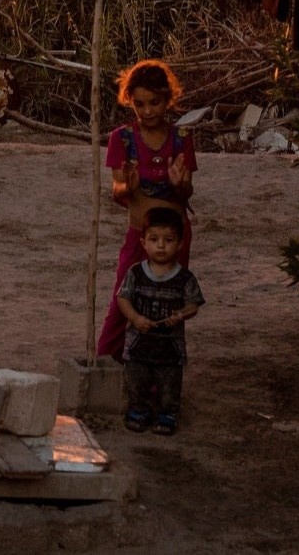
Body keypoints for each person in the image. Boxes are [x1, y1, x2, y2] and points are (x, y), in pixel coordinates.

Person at [98, 59, 195, 360]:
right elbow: (117, 193)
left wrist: (179, 183)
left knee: (167, 303)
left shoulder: (181, 139)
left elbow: (186, 191)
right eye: (139, 104)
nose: (148, 110)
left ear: (168, 99)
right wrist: (130, 185)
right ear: (130, 102)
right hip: (141, 235)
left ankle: (160, 372)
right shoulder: (122, 139)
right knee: (123, 300)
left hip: (174, 236)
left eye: (155, 102)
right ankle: (106, 364)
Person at [116, 207, 205, 434]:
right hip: (138, 344)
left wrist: (182, 314)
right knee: (137, 380)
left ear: (180, 244)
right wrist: (135, 318)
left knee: (170, 383)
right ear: (144, 243)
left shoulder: (185, 278)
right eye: (154, 239)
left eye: (168, 240)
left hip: (170, 346)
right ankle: (138, 410)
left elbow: (193, 304)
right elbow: (123, 298)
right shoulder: (135, 273)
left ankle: (168, 414)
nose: (161, 246)